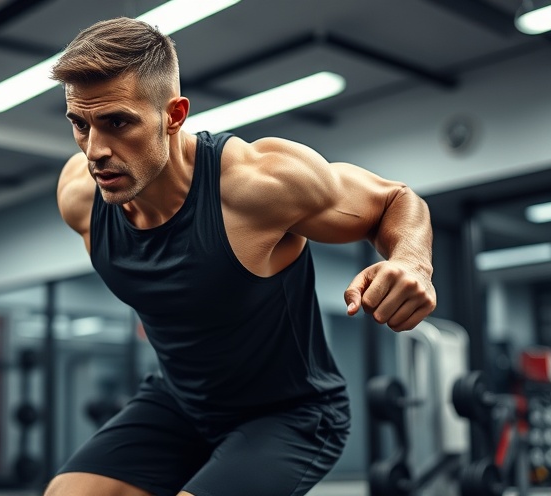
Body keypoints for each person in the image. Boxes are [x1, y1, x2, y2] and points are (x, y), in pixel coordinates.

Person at [46, 17, 436, 496]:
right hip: (179, 403)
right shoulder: (79, 197)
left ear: (174, 115)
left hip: (290, 413)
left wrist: (412, 262)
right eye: (80, 124)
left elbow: (394, 199)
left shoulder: (257, 185)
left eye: (118, 123)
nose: (94, 150)